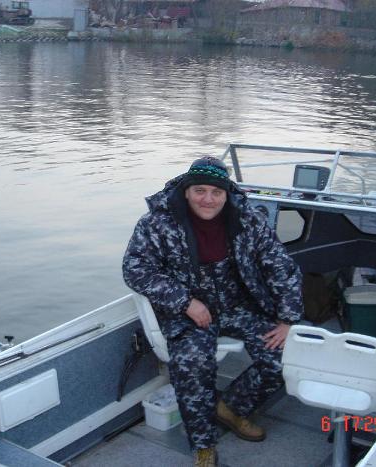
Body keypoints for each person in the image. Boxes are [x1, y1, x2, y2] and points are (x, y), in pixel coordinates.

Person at [122, 156, 303, 467]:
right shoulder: (156, 223)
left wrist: (287, 319)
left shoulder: (248, 220)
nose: (208, 199)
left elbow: (281, 267)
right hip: (186, 313)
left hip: (236, 306)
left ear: (226, 194)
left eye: (216, 192)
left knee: (283, 358)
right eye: (200, 191)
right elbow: (135, 270)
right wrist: (185, 302)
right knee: (192, 367)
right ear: (186, 191)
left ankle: (231, 408)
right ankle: (203, 444)